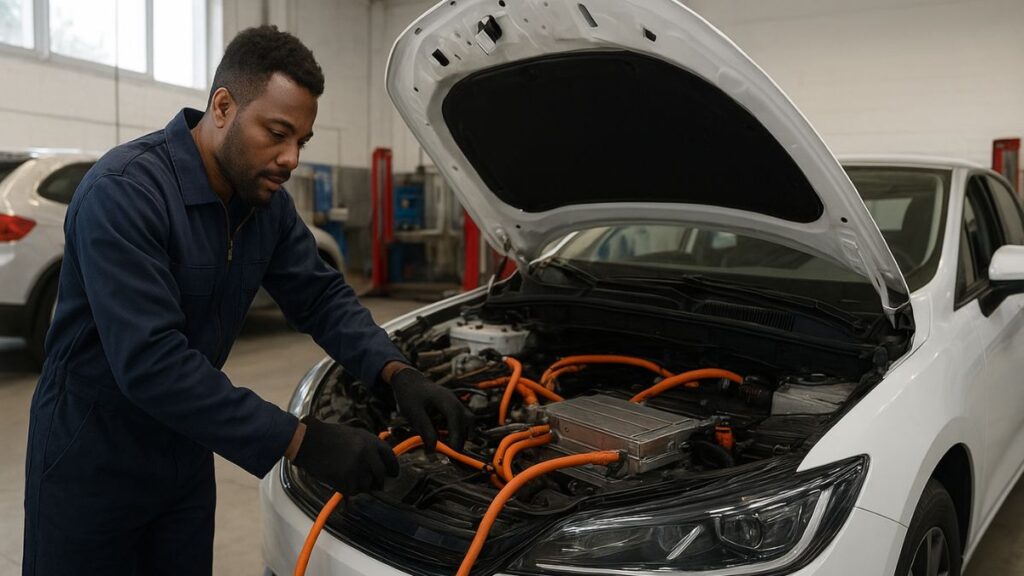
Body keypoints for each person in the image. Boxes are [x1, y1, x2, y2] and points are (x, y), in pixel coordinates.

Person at [22, 25, 469, 576]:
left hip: (186, 449)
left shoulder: (264, 206)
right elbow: (152, 362)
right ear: (223, 106)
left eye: (301, 141)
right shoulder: (124, 193)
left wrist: (395, 370)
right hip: (92, 457)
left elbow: (321, 294)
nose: (290, 159)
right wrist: (301, 441)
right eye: (277, 133)